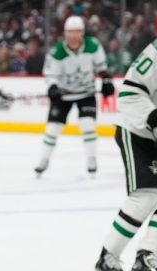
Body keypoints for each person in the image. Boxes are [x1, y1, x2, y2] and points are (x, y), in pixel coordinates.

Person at [92, 33, 157, 271]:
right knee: (147, 195)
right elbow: (130, 91)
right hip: (137, 129)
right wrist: (155, 119)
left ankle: (145, 261)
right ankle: (108, 259)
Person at [34, 16, 115, 177]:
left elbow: (102, 67)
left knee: (87, 125)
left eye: (77, 32)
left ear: (82, 33)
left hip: (86, 93)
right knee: (52, 129)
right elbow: (51, 76)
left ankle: (92, 160)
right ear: (65, 33)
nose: (74, 35)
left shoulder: (93, 45)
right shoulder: (56, 52)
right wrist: (53, 88)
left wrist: (106, 80)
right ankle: (44, 159)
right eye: (70, 32)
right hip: (64, 95)